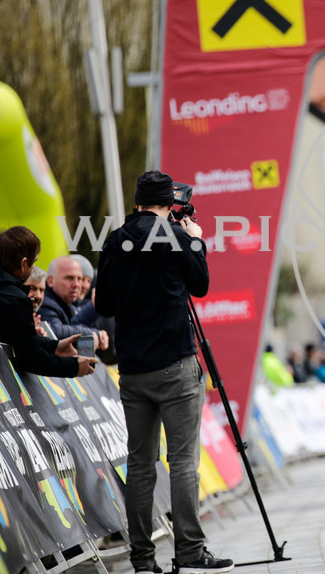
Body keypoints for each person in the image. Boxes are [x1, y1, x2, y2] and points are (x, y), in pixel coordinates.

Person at [95, 170, 233, 574]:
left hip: (134, 369)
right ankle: (189, 550)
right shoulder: (175, 237)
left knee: (139, 465)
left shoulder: (115, 241)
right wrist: (195, 240)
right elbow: (201, 286)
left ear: (137, 201)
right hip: (175, 362)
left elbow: (103, 304)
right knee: (184, 461)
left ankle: (141, 559)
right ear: (170, 203)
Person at [0, 226, 96, 378]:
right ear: (23, 264)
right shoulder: (15, 299)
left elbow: (17, 334)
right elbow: (31, 358)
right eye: (33, 262)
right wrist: (74, 367)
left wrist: (54, 345)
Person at [38, 256, 109, 349]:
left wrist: (94, 307)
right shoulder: (44, 302)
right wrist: (92, 334)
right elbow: (54, 331)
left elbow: (71, 325)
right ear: (50, 281)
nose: (77, 285)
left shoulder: (64, 302)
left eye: (79, 279)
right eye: (69, 278)